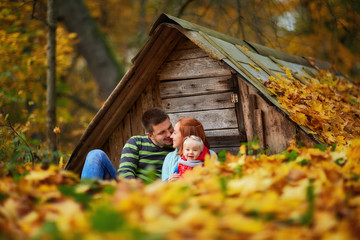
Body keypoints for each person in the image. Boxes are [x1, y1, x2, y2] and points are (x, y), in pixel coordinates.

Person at [81, 108, 174, 182]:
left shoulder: (178, 145)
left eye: (170, 127)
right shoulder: (136, 142)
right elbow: (125, 171)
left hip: (156, 194)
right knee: (96, 154)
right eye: (162, 132)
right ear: (150, 135)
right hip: (129, 189)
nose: (169, 134)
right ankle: (86, 199)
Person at [161, 117, 216, 182]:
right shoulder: (170, 157)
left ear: (186, 136)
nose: (171, 136)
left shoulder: (210, 155)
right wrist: (169, 181)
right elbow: (163, 186)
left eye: (175, 133)